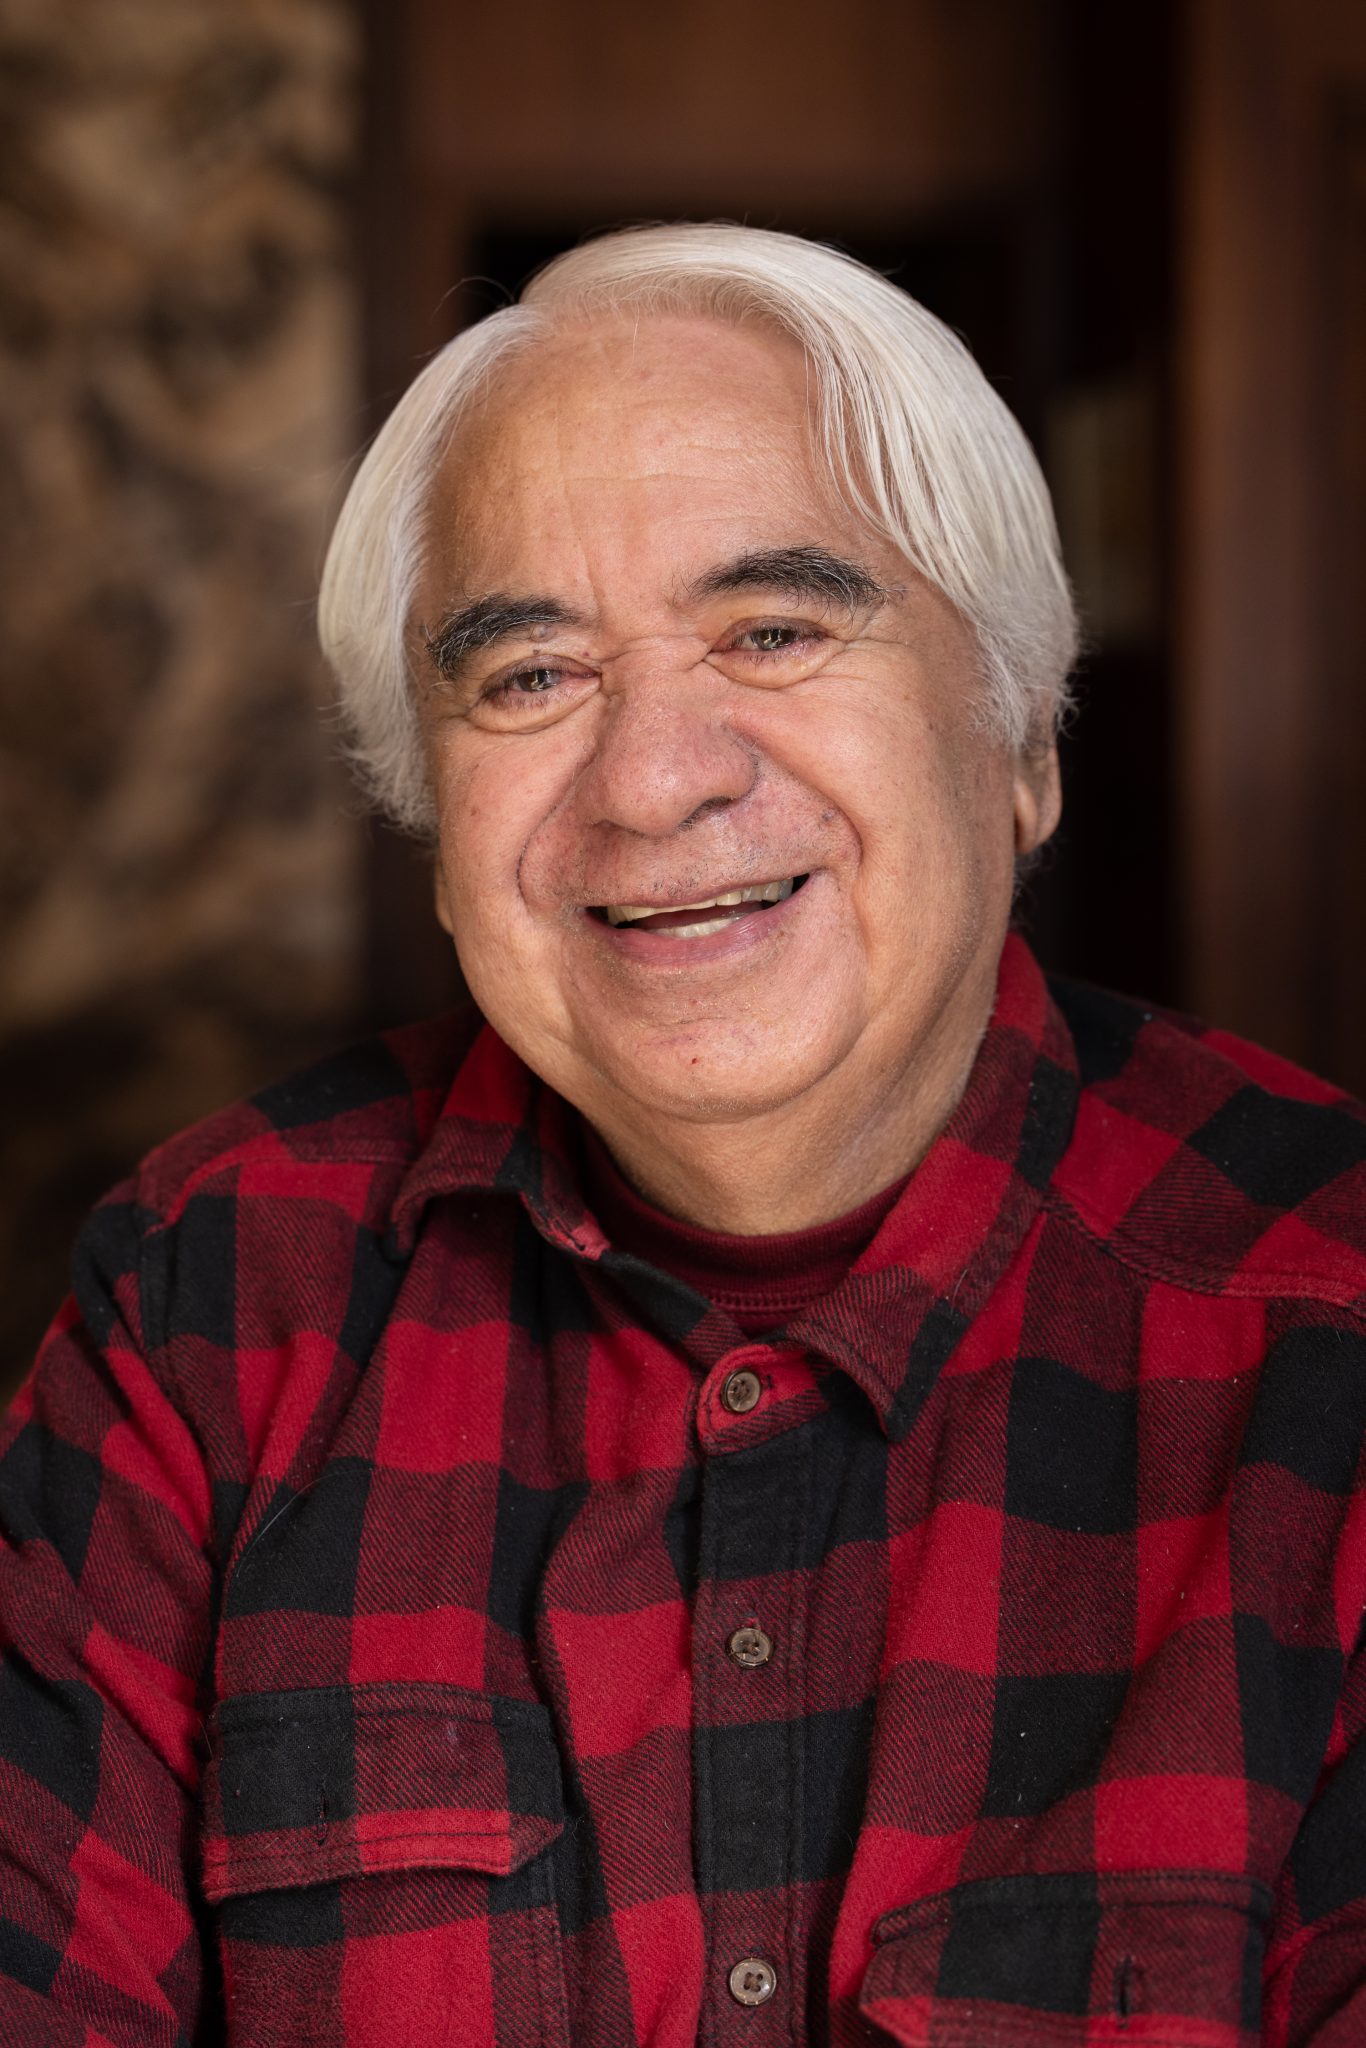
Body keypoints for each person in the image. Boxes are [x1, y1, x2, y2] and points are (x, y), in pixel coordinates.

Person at [2, 223, 1365, 2048]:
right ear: (434, 823)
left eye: (774, 632)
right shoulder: (210, 1297)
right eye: (529, 677)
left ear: (1020, 743)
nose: (654, 781)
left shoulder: (1327, 1321)